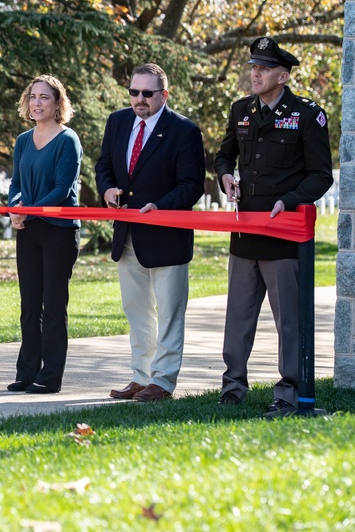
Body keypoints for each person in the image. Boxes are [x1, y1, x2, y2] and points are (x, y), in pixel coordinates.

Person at [214, 36, 333, 419]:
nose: (255, 73)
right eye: (253, 67)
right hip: (246, 230)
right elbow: (223, 154)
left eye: (263, 68)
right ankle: (232, 388)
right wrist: (225, 177)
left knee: (289, 322)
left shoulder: (307, 114)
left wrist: (293, 199)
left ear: (283, 75)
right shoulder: (241, 110)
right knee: (238, 317)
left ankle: (289, 393)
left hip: (284, 233)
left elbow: (321, 176)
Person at [94, 63, 205, 402]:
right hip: (126, 234)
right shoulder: (118, 121)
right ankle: (140, 377)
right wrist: (107, 188)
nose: (139, 99)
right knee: (137, 310)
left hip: (167, 235)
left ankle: (164, 381)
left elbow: (192, 185)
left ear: (163, 95)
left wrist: (161, 206)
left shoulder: (184, 130)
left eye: (147, 93)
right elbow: (104, 164)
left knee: (170, 312)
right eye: (133, 92)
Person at [7, 75, 82, 394]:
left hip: (58, 231)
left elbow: (62, 189)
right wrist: (15, 208)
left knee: (52, 305)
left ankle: (50, 376)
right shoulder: (23, 140)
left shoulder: (68, 140)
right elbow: (15, 184)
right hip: (27, 228)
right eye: (33, 97)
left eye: (45, 98)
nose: (37, 103)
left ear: (57, 104)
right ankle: (27, 371)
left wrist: (28, 210)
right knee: (29, 304)